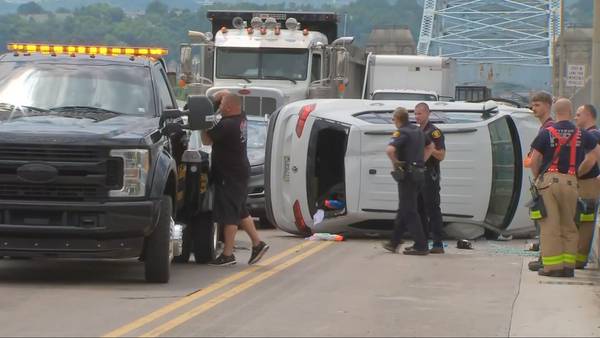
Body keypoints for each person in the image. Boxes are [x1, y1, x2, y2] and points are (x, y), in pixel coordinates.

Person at [529, 98, 599, 277]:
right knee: (570, 224)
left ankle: (553, 267)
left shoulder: (546, 133)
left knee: (550, 225)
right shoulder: (583, 134)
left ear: (555, 111)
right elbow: (593, 157)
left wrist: (538, 177)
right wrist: (578, 173)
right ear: (570, 111)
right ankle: (568, 266)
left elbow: (534, 159)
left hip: (549, 182)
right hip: (571, 182)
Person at [201, 91, 269, 266]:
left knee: (230, 214)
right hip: (239, 172)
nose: (219, 107)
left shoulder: (227, 125)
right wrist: (219, 98)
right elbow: (229, 96)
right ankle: (257, 244)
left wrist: (204, 120)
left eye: (222, 104)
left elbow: (206, 141)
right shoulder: (241, 118)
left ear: (229, 107)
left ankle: (228, 254)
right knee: (240, 210)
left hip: (229, 175)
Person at [383, 107, 434, 255]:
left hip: (408, 176)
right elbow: (430, 147)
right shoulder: (418, 130)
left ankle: (421, 245)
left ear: (397, 119)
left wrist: (396, 163)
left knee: (410, 211)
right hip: (419, 174)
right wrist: (420, 162)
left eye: (393, 119)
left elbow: (390, 150)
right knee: (404, 208)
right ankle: (394, 242)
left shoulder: (402, 132)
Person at [526, 92, 555, 272]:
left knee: (544, 221)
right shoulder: (546, 128)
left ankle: (545, 258)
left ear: (547, 106)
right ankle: (545, 257)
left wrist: (537, 178)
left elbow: (536, 159)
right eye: (533, 105)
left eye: (537, 105)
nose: (533, 108)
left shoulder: (547, 129)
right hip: (549, 179)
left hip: (545, 180)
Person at [415, 102, 446, 254]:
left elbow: (442, 155)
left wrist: (431, 149)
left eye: (420, 113)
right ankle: (422, 243)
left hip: (430, 175)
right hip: (417, 175)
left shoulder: (434, 133)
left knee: (432, 209)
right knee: (418, 209)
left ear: (428, 113)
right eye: (415, 114)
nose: (417, 116)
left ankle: (438, 244)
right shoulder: (416, 131)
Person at [574, 104, 600, 269]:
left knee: (584, 221)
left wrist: (576, 173)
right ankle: (579, 258)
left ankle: (578, 259)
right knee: (585, 220)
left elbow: (591, 160)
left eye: (578, 114)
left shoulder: (593, 136)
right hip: (588, 184)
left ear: (588, 115)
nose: (575, 118)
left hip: (588, 185)